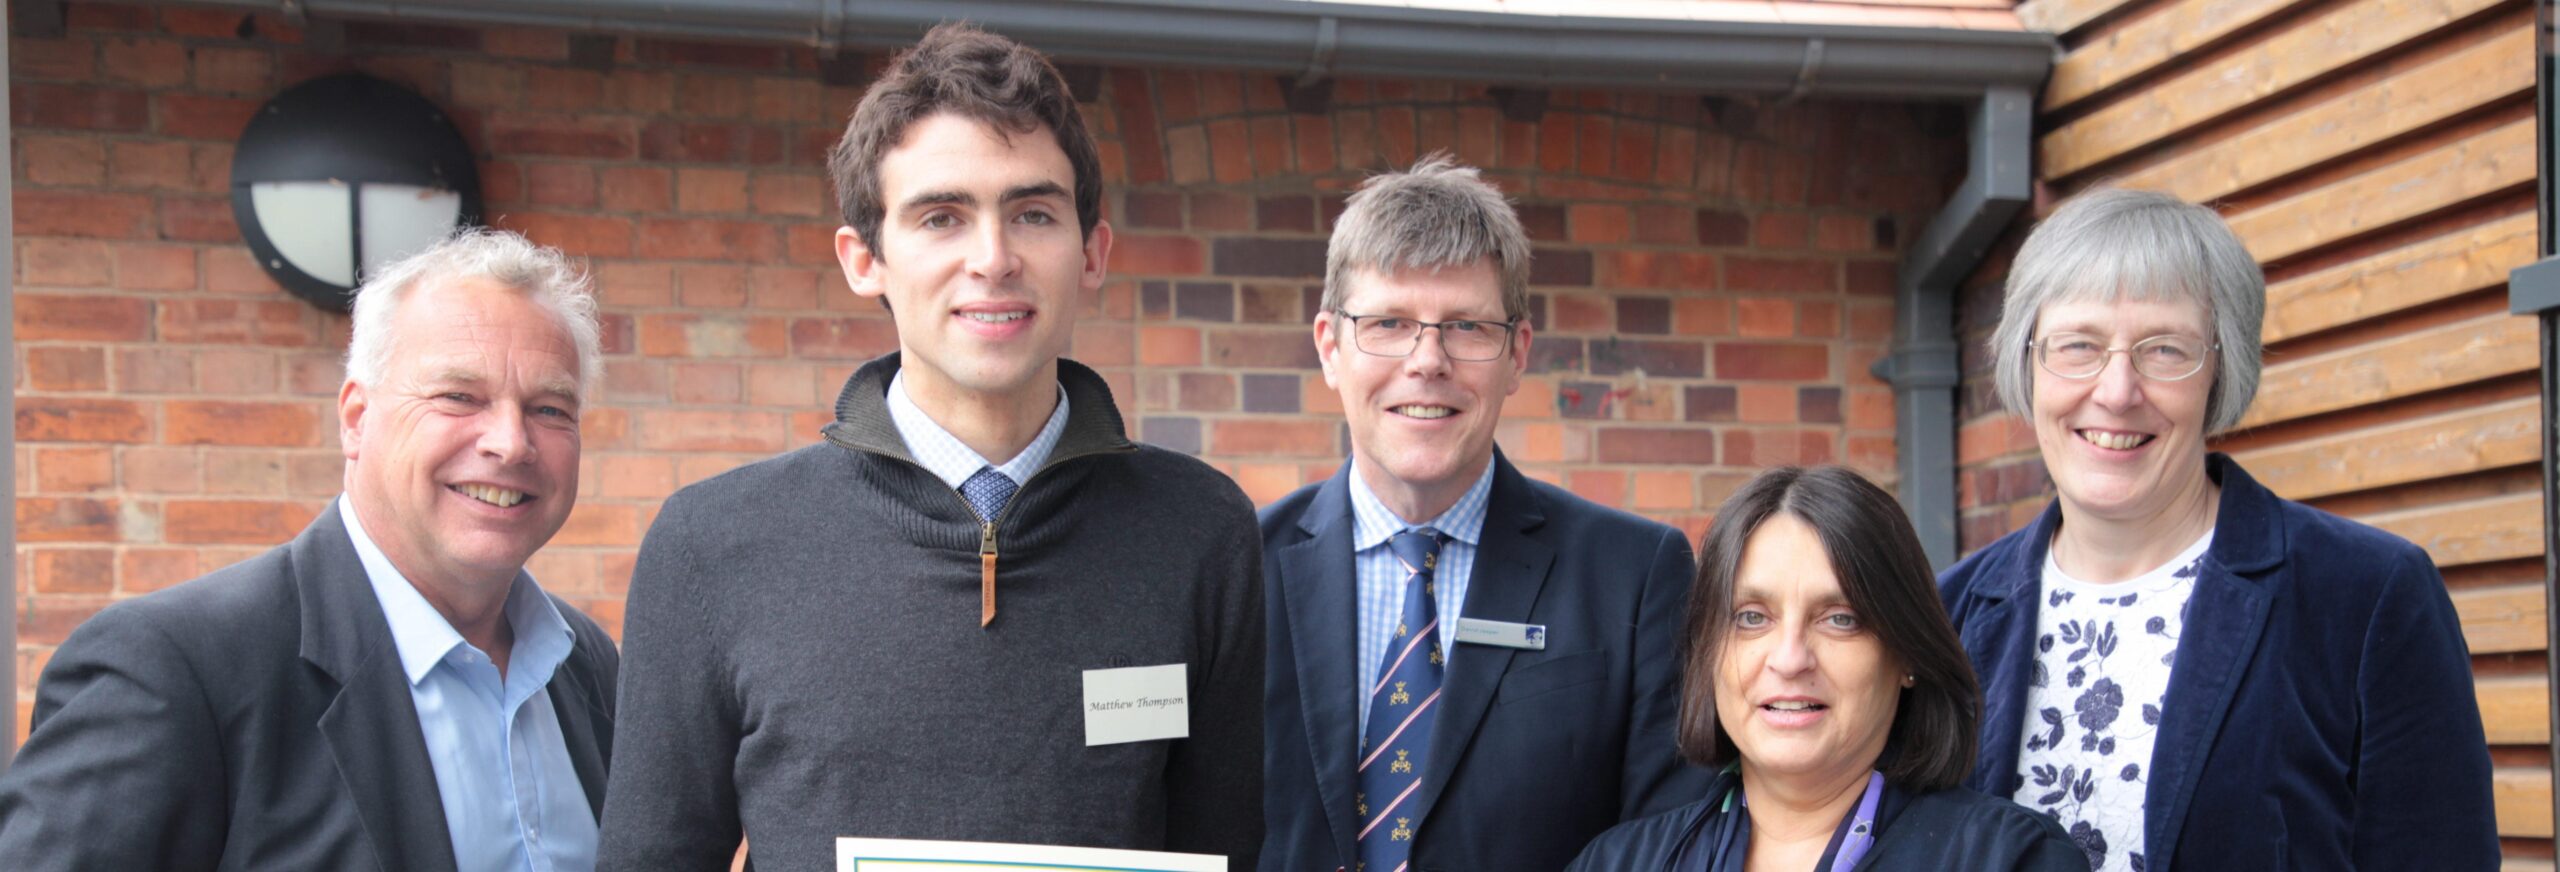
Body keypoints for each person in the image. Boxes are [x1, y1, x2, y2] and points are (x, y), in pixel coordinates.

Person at [597, 23, 1264, 871]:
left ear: (1092, 252)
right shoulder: (711, 546)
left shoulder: (1201, 532)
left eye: (1032, 213)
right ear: (864, 259)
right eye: (941, 217)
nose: (993, 258)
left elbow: (1225, 849)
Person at [0, 229, 619, 871]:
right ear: (356, 420)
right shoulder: (176, 671)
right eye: (459, 396)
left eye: (550, 409)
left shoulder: (586, 667)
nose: (511, 443)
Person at [1940, 187, 2498, 871]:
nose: (2117, 390)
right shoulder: (1948, 614)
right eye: (2078, 345)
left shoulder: (2365, 594)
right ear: (2028, 364)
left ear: (2221, 370)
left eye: (2165, 350)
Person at [1259, 154, 1707, 872]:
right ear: (1330, 348)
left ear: (1517, 353)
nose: (1427, 359)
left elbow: (1671, 843)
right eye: (1389, 322)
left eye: (1466, 327)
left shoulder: (1635, 575)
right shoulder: (1234, 570)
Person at [1570, 466, 2085, 871]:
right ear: (1707, 652)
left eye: (1841, 619)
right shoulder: (1617, 862)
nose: (1790, 658)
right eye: (1752, 618)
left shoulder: (2012, 859)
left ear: (1907, 654)